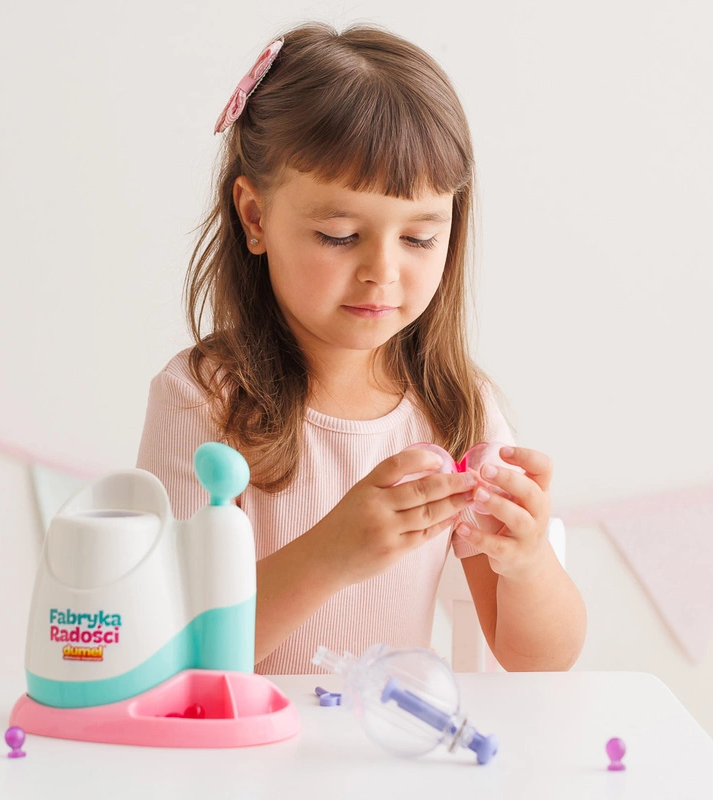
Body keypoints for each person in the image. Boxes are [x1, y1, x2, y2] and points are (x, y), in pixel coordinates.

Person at [137, 21, 586, 674]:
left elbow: (538, 662)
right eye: (341, 235)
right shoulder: (202, 401)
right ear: (255, 217)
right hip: (239, 742)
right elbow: (171, 657)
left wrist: (529, 559)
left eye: (419, 239)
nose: (382, 270)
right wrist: (332, 555)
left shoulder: (455, 407)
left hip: (390, 739)